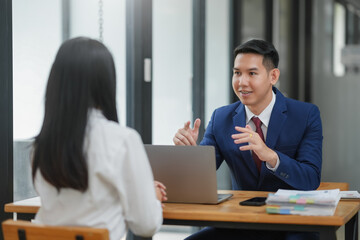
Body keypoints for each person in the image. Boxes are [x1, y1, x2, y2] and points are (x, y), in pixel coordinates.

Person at [173, 39, 322, 240]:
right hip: (241, 224)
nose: (242, 82)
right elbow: (202, 176)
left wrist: (270, 156)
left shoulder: (305, 115)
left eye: (252, 73)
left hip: (292, 224)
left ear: (273, 76)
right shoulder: (221, 118)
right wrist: (190, 153)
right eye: (237, 73)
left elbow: (311, 178)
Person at [32, 37, 167, 240]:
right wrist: (152, 198)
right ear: (105, 84)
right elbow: (145, 225)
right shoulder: (122, 140)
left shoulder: (41, 146)